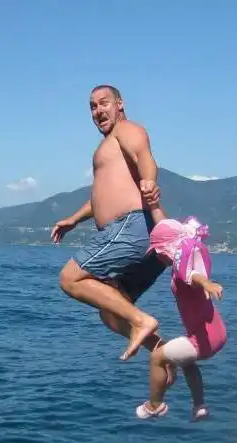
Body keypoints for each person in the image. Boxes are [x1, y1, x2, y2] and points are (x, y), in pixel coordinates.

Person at [51, 84, 169, 361]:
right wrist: (74, 220)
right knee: (111, 312)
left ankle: (142, 321)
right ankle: (164, 352)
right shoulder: (108, 148)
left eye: (104, 103)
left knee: (70, 278)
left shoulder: (125, 130)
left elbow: (143, 155)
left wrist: (149, 180)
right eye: (92, 107)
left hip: (132, 227)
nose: (98, 111)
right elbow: (102, 198)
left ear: (120, 103)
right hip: (143, 238)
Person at [135, 216, 227, 421]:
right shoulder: (182, 265)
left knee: (157, 357)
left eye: (158, 252)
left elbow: (194, 276)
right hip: (216, 332)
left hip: (205, 338)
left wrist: (207, 284)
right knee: (186, 362)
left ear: (168, 249)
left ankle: (154, 405)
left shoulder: (182, 271)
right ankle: (199, 405)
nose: (158, 257)